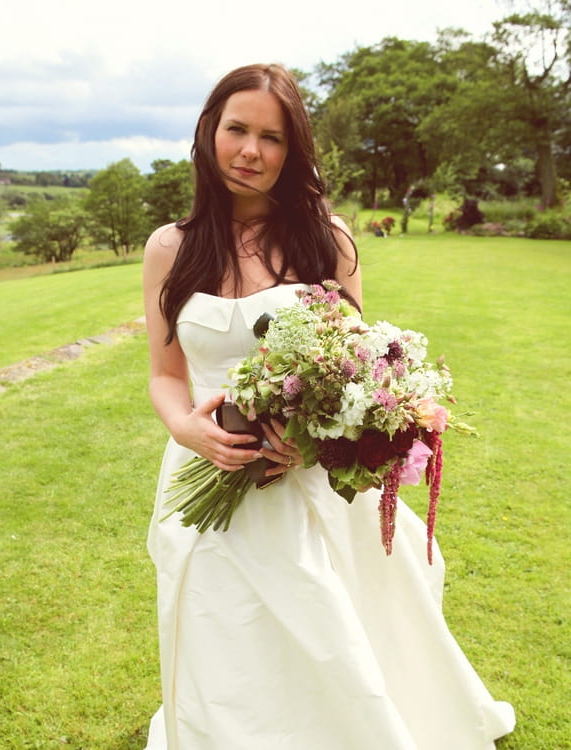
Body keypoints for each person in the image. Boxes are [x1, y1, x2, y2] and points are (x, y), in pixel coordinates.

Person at [142, 63, 515, 750]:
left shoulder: (326, 238)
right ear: (208, 132)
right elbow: (166, 373)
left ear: (294, 151)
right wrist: (188, 429)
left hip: (301, 478)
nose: (251, 151)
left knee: (327, 623)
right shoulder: (171, 247)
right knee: (223, 623)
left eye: (272, 138)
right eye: (237, 130)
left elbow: (353, 371)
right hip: (204, 465)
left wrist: (308, 440)